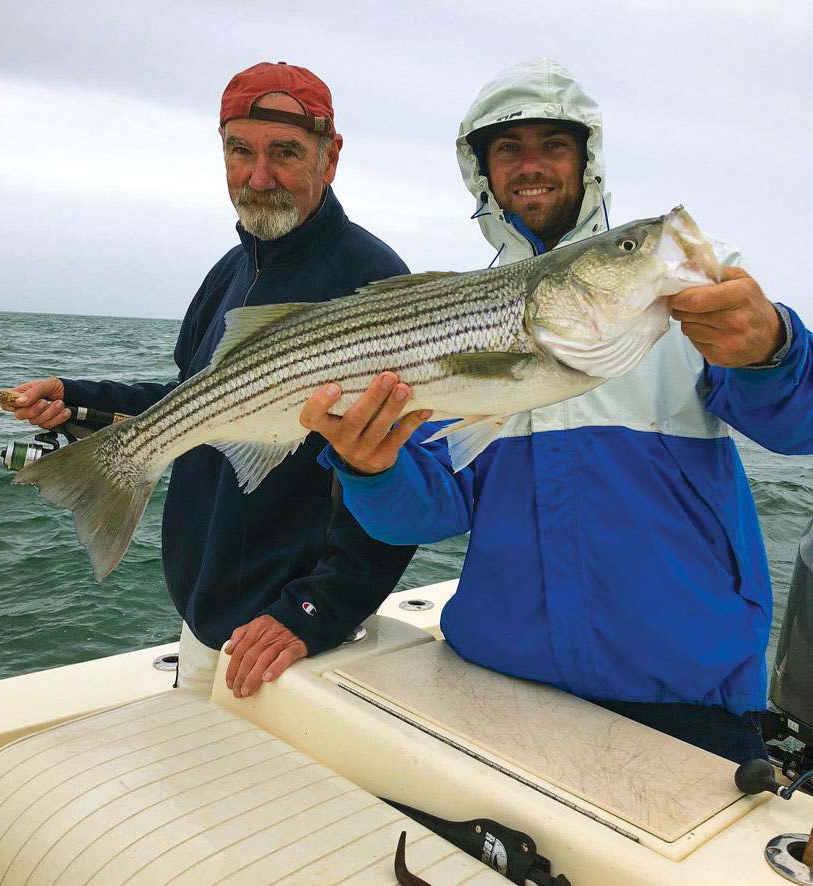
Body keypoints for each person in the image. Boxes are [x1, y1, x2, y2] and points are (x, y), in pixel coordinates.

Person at [299, 58, 813, 763]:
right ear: (482, 170)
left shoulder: (690, 285)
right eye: (508, 148)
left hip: (683, 690)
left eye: (554, 144)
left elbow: (799, 428)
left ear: (587, 160)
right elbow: (426, 513)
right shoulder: (461, 312)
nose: (530, 164)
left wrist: (774, 347)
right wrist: (368, 470)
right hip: (497, 678)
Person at [6, 61, 416, 699]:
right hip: (203, 616)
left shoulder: (371, 282)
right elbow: (196, 401)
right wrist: (82, 399)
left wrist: (318, 609)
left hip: (283, 641)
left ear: (330, 157)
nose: (259, 176)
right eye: (240, 151)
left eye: (285, 152)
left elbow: (398, 473)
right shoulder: (229, 272)